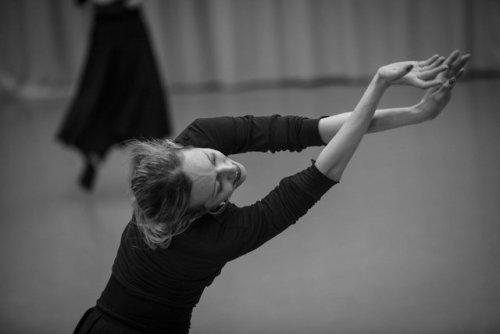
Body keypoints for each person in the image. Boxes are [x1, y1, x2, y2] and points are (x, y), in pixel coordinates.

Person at [73, 50, 470, 333]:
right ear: (197, 212)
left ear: (183, 149)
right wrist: (380, 82)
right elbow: (321, 171)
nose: (231, 168)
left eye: (215, 159)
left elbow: (312, 130)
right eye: (220, 185)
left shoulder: (191, 143)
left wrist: (417, 113)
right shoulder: (213, 239)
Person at [57, 0, 172, 191]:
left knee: (125, 90)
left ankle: (133, 159)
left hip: (122, 23)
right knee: (113, 90)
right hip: (112, 24)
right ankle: (107, 155)